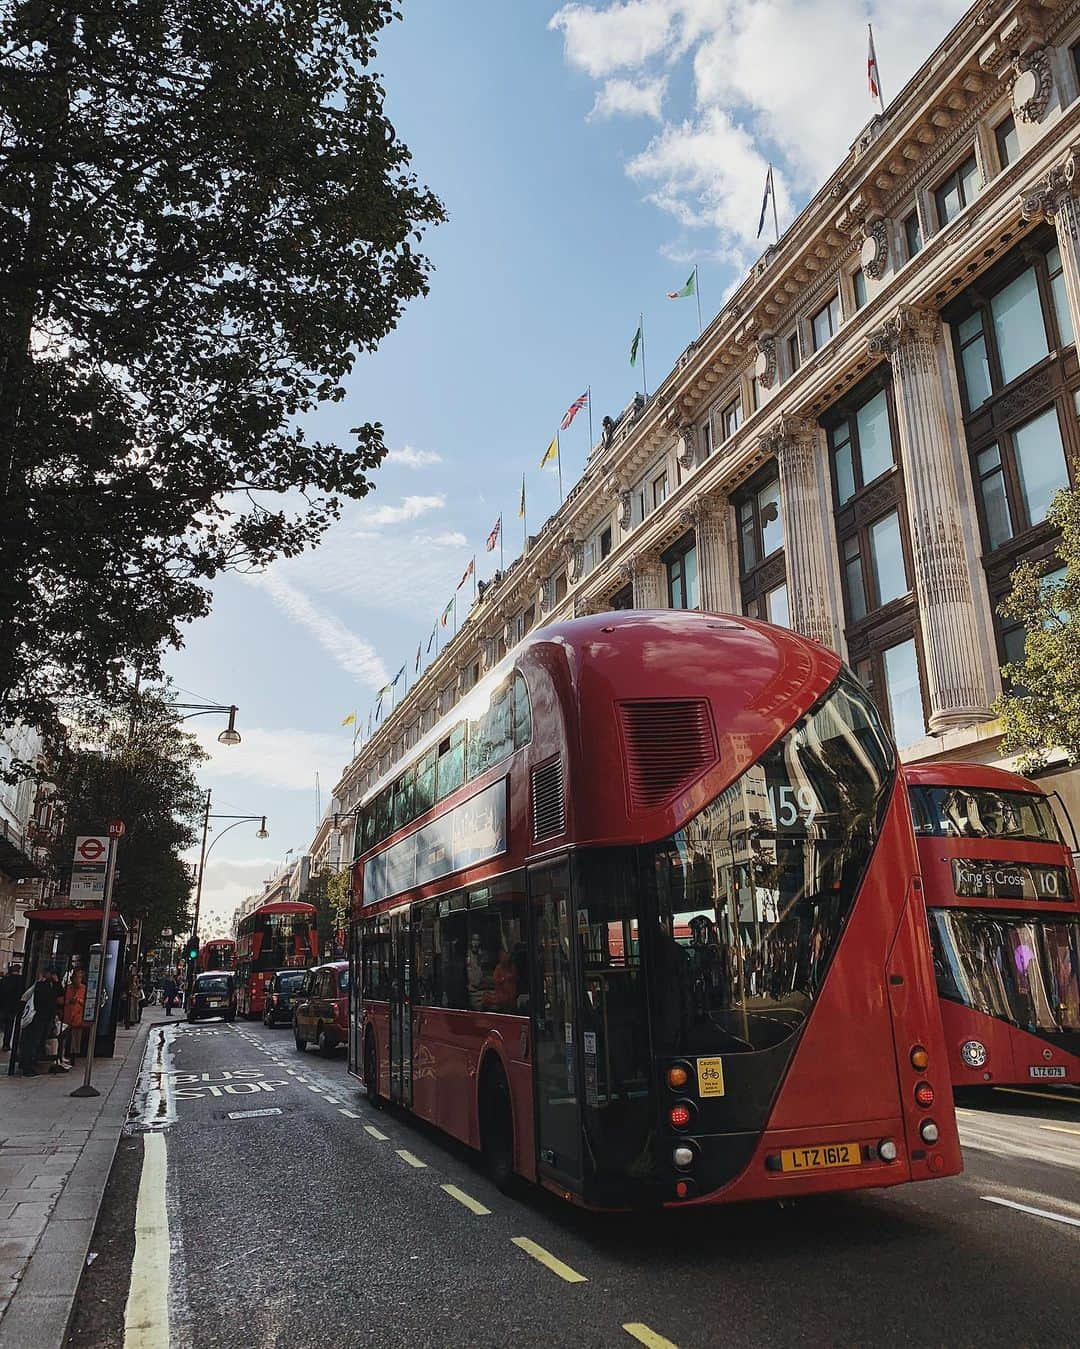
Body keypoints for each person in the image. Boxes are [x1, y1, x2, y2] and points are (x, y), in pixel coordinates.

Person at [19, 965, 59, 1075]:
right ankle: (28, 1065)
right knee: (33, 1041)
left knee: (36, 1041)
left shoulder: (45, 985)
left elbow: (58, 994)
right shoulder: (42, 985)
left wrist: (56, 983)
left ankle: (29, 1062)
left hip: (41, 1018)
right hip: (38, 1018)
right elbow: (50, 999)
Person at [61, 967, 87, 1064]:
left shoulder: (84, 989)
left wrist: (79, 1001)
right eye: (76, 977)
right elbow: (61, 1001)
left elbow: (88, 1003)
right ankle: (64, 1054)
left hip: (78, 1018)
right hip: (67, 1017)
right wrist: (69, 1001)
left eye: (79, 977)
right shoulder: (68, 988)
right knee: (65, 1038)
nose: (77, 979)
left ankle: (73, 1056)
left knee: (76, 1038)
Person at [1, 962, 23, 1051]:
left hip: (2, 1006)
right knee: (9, 1027)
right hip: (13, 1007)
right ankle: (6, 1044)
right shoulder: (21, 981)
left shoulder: (4, 980)